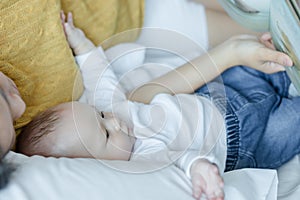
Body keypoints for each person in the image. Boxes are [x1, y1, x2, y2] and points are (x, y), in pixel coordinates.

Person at [16, 12, 295, 200]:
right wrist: (200, 169)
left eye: (100, 115)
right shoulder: (141, 163)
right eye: (106, 134)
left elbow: (98, 78)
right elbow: (180, 159)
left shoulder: (114, 112)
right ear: (99, 166)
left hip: (221, 95)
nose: (114, 120)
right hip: (247, 142)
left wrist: (81, 44)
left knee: (276, 57)